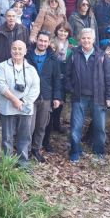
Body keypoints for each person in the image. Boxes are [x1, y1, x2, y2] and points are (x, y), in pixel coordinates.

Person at [66, 28, 110, 162]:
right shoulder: (74, 55)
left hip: (98, 97)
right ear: (80, 39)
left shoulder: (102, 56)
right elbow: (67, 75)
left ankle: (99, 151)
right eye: (84, 38)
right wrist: (72, 88)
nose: (86, 40)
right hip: (79, 97)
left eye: (89, 38)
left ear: (93, 40)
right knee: (76, 126)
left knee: (99, 127)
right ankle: (75, 151)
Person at [0, 40, 40, 168]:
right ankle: (7, 165)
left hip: (25, 109)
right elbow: (0, 85)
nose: (17, 51)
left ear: (25, 51)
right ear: (10, 50)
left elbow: (35, 89)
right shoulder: (3, 66)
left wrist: (23, 102)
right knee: (7, 138)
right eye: (14, 48)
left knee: (24, 137)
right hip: (8, 108)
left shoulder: (31, 69)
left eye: (20, 49)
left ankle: (23, 163)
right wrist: (14, 100)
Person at [27, 32, 63, 163]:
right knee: (29, 126)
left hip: (46, 96)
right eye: (40, 40)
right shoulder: (27, 56)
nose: (42, 43)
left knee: (41, 125)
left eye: (45, 41)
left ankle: (36, 149)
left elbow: (57, 80)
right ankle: (26, 149)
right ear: (36, 40)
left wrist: (57, 97)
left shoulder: (53, 59)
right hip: (29, 96)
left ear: (49, 43)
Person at [46, 22, 77, 145]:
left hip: (67, 73)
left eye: (65, 31)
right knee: (54, 97)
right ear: (56, 31)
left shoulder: (73, 44)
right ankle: (51, 123)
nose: (62, 33)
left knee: (62, 99)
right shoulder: (51, 42)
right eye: (60, 30)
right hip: (53, 72)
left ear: (68, 33)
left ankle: (57, 123)